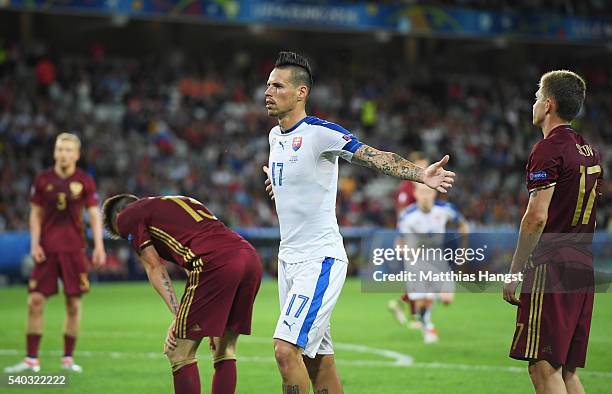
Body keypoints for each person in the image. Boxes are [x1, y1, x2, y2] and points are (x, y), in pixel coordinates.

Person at [262, 51, 455, 393]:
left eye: (278, 86)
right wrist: (280, 186)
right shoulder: (275, 137)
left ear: (300, 92)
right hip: (288, 260)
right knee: (317, 360)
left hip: (319, 259)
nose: (268, 92)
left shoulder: (320, 133)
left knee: (284, 350)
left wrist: (420, 174)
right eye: (268, 86)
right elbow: (298, 181)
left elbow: (374, 157)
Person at [503, 70, 602, 394]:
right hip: (582, 265)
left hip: (552, 266)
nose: (532, 104)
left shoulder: (548, 148)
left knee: (544, 369)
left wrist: (515, 272)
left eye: (536, 98)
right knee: (568, 372)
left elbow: (536, 217)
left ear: (548, 105)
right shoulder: (588, 149)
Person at [102, 194, 262, 394]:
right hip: (249, 258)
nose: (129, 237)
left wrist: (178, 316)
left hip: (216, 263)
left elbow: (154, 267)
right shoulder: (178, 201)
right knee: (225, 349)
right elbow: (195, 251)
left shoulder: (126, 216)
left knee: (178, 351)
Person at [4, 133, 106, 373]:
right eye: (60, 149)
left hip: (74, 250)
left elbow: (93, 214)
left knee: (73, 304)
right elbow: (35, 214)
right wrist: (35, 244)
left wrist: (99, 245)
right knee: (35, 301)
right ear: (54, 152)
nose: (64, 153)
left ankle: (68, 359)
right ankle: (31, 359)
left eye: (69, 150)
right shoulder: (42, 180)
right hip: (47, 250)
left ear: (77, 155)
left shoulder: (85, 180)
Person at [390, 181, 469, 343]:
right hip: (415, 261)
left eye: (428, 191)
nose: (425, 195)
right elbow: (399, 243)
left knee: (447, 299)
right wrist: (406, 252)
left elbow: (462, 224)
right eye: (421, 192)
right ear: (416, 194)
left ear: (434, 193)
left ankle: (421, 298)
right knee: (420, 302)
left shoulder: (445, 209)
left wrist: (463, 249)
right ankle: (428, 327)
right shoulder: (407, 216)